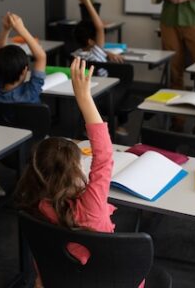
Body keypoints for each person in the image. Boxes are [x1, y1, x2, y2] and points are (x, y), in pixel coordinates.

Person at [14, 58, 144, 288]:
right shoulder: (90, 206)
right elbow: (103, 156)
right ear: (76, 170)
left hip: (61, 280)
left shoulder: (35, 206)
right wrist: (84, 98)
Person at [0, 12, 46, 195]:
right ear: (24, 72)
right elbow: (41, 56)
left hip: (0, 146)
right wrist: (21, 29)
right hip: (32, 149)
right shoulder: (31, 92)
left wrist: (6, 30)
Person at [72, 0, 124, 76]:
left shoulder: (76, 55)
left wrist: (107, 53)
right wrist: (86, 0)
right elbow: (99, 27)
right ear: (91, 41)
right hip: (104, 86)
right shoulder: (96, 53)